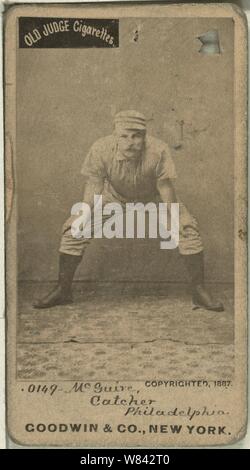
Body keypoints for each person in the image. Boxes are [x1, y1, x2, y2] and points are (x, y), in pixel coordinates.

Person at [33, 110, 224, 312]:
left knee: (188, 231)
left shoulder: (158, 150)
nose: (130, 142)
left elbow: (165, 187)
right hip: (114, 196)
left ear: (145, 136)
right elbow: (94, 185)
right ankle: (63, 290)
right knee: (74, 231)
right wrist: (83, 213)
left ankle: (199, 291)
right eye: (124, 136)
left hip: (153, 198)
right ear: (115, 136)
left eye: (136, 136)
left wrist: (177, 216)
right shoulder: (100, 148)